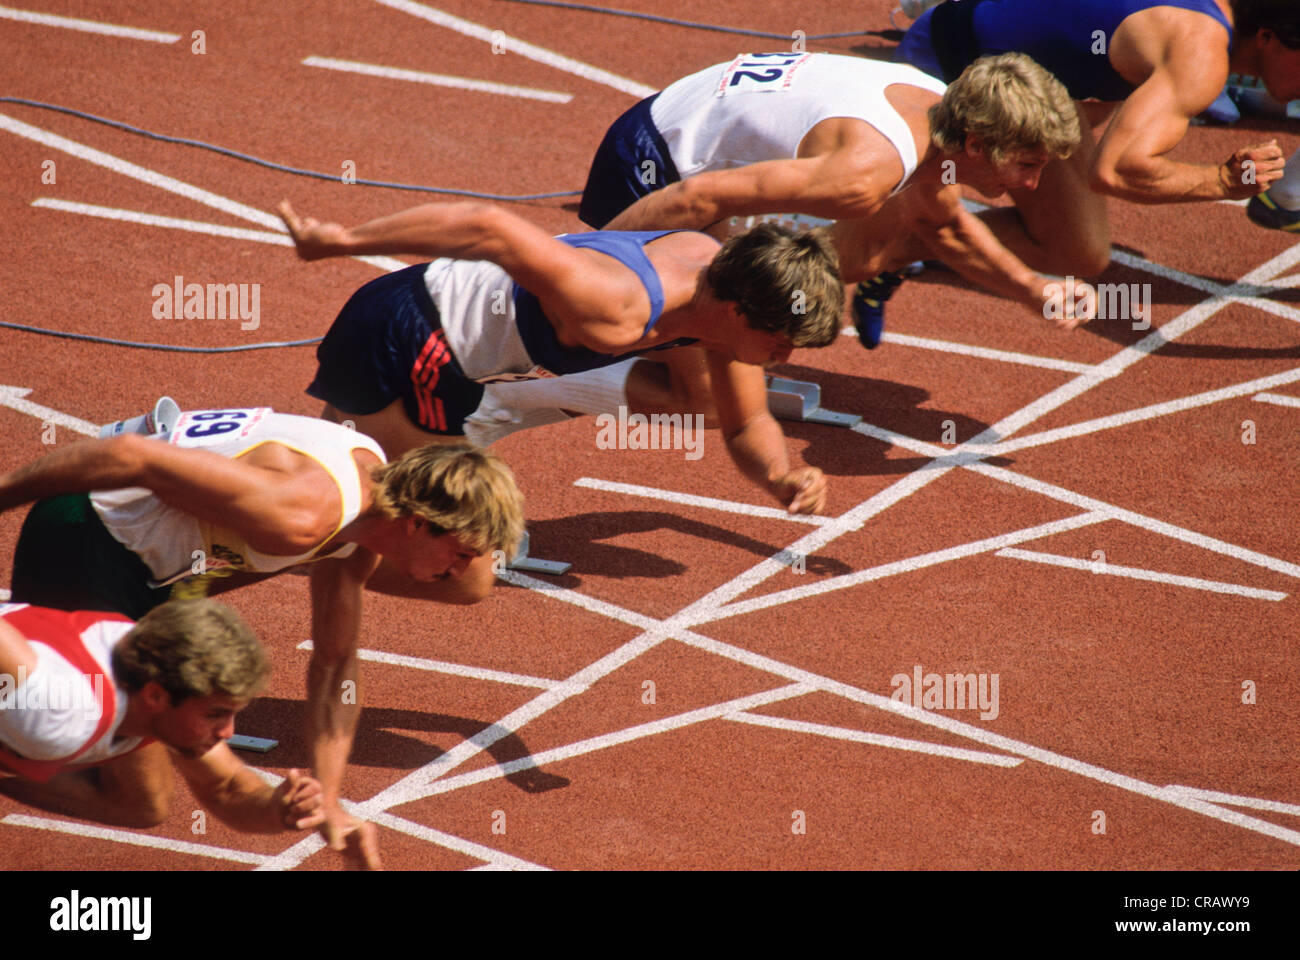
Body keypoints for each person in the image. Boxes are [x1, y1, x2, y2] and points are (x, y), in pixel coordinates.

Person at [1, 411, 525, 868]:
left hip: (151, 572)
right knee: (120, 778)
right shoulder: (301, 513)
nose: (462, 571)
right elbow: (128, 454)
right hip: (89, 537)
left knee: (152, 796)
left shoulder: (361, 522)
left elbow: (336, 661)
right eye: (461, 553)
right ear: (417, 524)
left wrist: (327, 798)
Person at [277, 198, 843, 515]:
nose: (786, 356)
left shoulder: (720, 295)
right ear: (741, 313)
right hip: (407, 336)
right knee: (367, 506)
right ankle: (212, 525)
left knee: (351, 498)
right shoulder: (617, 305)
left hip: (465, 364)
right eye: (782, 340)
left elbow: (747, 420)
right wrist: (343, 241)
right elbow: (488, 226)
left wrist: (781, 477)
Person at [578, 50, 1092, 347]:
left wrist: (1031, 288)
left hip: (687, 118)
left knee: (849, 263)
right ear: (978, 144)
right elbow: (698, 194)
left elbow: (946, 225)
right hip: (651, 161)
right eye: (1028, 164)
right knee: (696, 377)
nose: (1032, 185)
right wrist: (579, 268)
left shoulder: (940, 109)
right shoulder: (863, 176)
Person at [896, 0, 1294, 242]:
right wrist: (1222, 181)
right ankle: (895, 244)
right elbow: (1113, 171)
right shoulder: (1201, 55)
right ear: (1266, 38)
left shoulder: (1203, 21)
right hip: (944, 66)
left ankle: (905, 248)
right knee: (865, 238)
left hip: (1012, 78)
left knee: (1077, 250)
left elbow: (1094, 64)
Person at [0, 599, 326, 841]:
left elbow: (226, 786)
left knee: (142, 803)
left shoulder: (156, 680)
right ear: (155, 696)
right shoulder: (59, 712)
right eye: (215, 714)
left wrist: (279, 809)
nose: (228, 732)